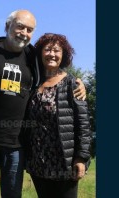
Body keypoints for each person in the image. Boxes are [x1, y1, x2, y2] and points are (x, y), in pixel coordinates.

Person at [0, 10, 86, 198]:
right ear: (8, 26)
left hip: (16, 144)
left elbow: (55, 68)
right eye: (20, 26)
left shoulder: (32, 56)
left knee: (13, 195)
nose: (24, 33)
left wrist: (78, 81)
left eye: (30, 29)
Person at [22, 33, 92, 198]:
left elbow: (83, 124)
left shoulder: (72, 84)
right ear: (40, 53)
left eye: (56, 50)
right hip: (38, 162)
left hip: (64, 163)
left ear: (63, 55)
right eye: (47, 49)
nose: (51, 54)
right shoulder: (33, 83)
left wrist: (81, 158)